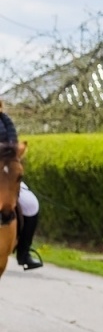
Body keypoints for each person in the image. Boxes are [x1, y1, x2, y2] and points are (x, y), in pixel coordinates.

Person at [0, 99, 43, 270]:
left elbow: (13, 146)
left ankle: (23, 253)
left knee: (32, 204)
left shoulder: (6, 121)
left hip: (4, 173)